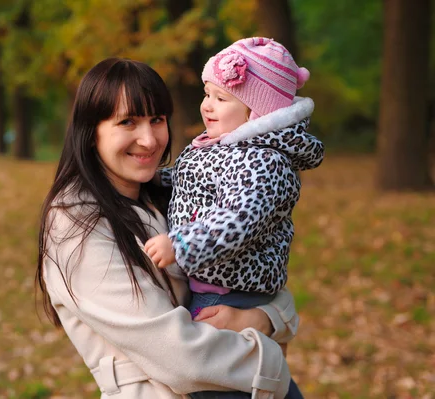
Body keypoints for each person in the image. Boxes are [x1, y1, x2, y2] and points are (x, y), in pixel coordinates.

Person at [36, 57, 300, 399]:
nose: (149, 140)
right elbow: (182, 358)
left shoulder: (176, 196)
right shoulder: (75, 224)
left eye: (157, 120)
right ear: (90, 133)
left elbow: (270, 282)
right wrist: (274, 362)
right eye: (127, 122)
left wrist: (262, 319)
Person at [143, 38, 325, 398]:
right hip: (214, 285)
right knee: (244, 377)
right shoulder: (217, 145)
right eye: (207, 93)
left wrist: (180, 243)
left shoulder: (265, 163)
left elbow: (238, 220)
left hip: (232, 291)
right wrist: (151, 179)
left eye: (221, 98)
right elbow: (186, 183)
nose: (207, 106)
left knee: (220, 382)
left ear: (257, 113)